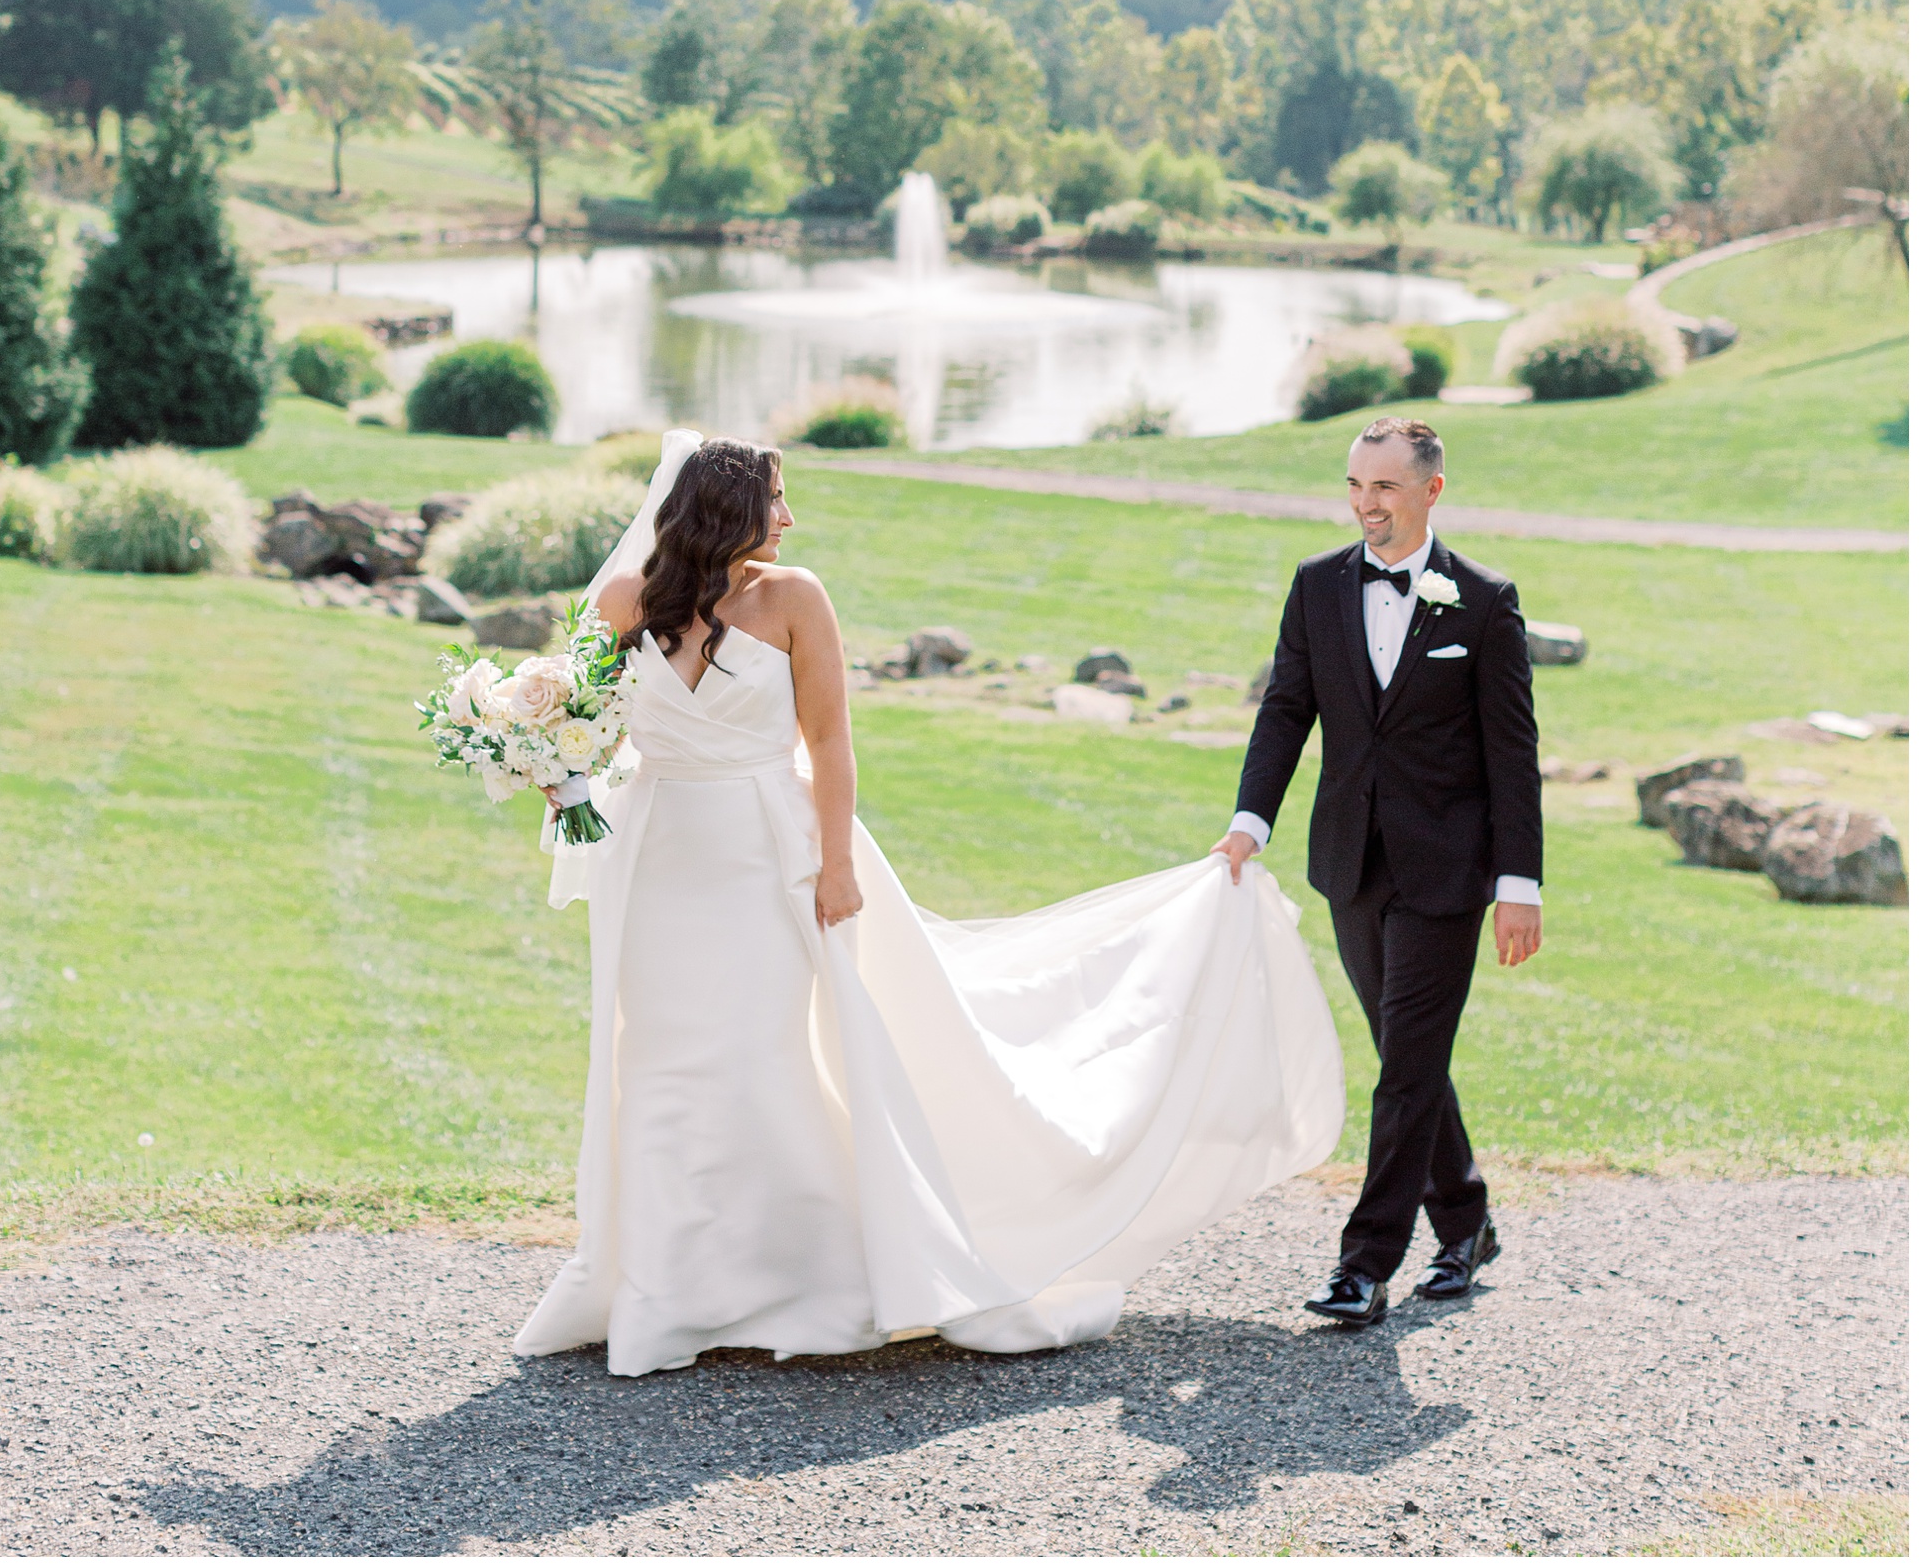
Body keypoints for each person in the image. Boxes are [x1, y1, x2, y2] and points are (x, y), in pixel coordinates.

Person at [514, 431, 1346, 1379]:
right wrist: (548, 771)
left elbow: (829, 742)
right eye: (777, 498)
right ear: (728, 508)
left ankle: (781, 1274)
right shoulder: (623, 602)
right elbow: (569, 722)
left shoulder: (795, 600)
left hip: (768, 857)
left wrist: (837, 866)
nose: (790, 518)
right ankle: (665, 1289)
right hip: (657, 858)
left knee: (756, 1054)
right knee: (656, 1057)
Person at [1216, 416, 1541, 1329]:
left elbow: (1513, 754)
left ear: (1431, 490)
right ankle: (1468, 1223)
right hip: (1350, 864)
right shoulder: (1318, 586)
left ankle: (1366, 1265)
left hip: (1447, 873)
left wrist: (1521, 884)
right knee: (1411, 1059)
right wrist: (1250, 822)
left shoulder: (1483, 600)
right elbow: (1286, 710)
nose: (1367, 504)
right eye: (1357, 485)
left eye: (1386, 487)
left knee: (1403, 1070)